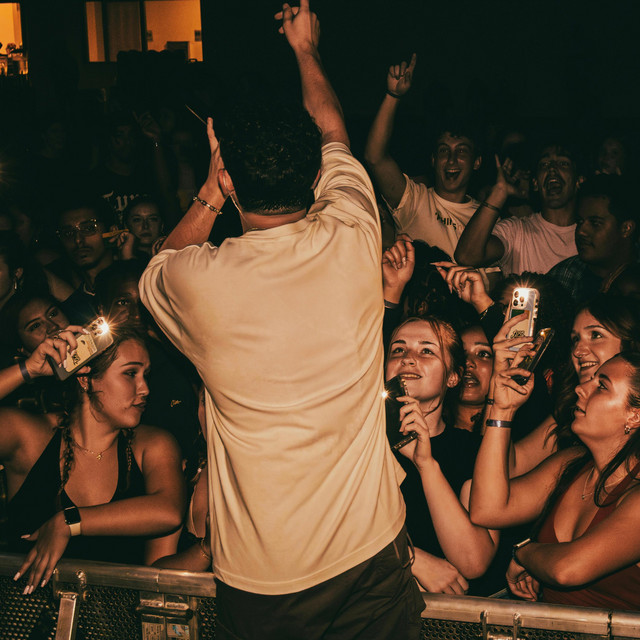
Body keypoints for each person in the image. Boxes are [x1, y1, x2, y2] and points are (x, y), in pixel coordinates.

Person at [139, 3, 423, 639]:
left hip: (265, 579)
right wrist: (305, 48)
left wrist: (212, 188)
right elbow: (332, 128)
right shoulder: (353, 233)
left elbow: (159, 265)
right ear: (315, 175)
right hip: (370, 553)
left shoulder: (198, 282)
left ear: (232, 178)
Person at [3, 328, 185, 593]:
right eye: (130, 373)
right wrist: (28, 370)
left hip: (114, 617)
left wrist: (69, 522)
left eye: (146, 375)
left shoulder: (153, 444)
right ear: (85, 379)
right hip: (23, 616)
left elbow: (168, 510)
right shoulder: (32, 439)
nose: (145, 388)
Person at [470, 348, 640, 610]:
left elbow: (567, 570)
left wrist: (524, 552)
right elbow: (487, 509)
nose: (581, 388)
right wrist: (503, 411)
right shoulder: (571, 463)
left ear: (635, 415)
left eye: (602, 386)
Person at [387, 317, 499, 596]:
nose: (408, 358)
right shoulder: (362, 445)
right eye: (398, 350)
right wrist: (411, 558)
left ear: (453, 377)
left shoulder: (476, 451)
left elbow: (473, 562)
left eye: (426, 350)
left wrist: (426, 465)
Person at [364, 54, 484, 262]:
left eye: (461, 151)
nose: (452, 159)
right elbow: (375, 157)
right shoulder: (415, 200)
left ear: (477, 162)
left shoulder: (485, 218)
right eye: (444, 151)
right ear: (433, 160)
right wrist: (393, 96)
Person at [455, 139, 581, 275]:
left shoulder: (590, 234)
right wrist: (499, 192)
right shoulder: (516, 231)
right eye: (544, 164)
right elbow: (466, 256)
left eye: (563, 163)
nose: (552, 168)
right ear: (535, 184)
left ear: (579, 181)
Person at [548, 174, 639, 304]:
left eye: (595, 223)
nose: (581, 231)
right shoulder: (562, 277)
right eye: (580, 221)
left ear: (626, 228)